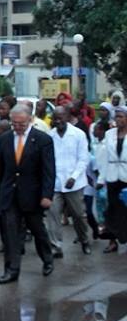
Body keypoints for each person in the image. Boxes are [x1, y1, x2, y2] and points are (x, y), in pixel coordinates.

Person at [0, 104, 56, 284]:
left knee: (37, 229)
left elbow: (48, 170)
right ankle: (12, 270)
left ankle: (47, 259)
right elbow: (1, 168)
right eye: (14, 124)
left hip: (33, 194)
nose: (18, 127)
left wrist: (47, 195)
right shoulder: (5, 139)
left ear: (30, 120)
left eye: (21, 123)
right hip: (10, 193)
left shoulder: (42, 140)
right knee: (10, 232)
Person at [46, 105, 92, 258]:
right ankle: (56, 246)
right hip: (55, 183)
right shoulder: (49, 136)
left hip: (74, 182)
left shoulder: (78, 134)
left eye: (61, 117)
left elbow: (83, 158)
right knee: (52, 215)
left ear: (67, 116)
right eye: (55, 118)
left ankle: (84, 240)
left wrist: (74, 177)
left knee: (79, 215)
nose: (58, 121)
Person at [96, 106, 127, 254]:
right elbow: (104, 158)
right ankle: (112, 240)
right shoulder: (109, 134)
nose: (119, 119)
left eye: (121, 116)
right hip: (112, 176)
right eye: (117, 117)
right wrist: (101, 179)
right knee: (112, 209)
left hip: (126, 177)